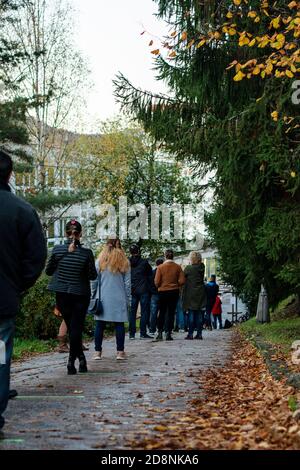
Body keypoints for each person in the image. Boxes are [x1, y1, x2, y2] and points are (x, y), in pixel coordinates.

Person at [0, 150, 47, 431]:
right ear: (9, 174)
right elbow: (35, 258)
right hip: (3, 297)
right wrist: (18, 286)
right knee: (0, 355)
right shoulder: (22, 210)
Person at [46, 220, 97, 375]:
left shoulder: (57, 250)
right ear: (80, 234)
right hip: (80, 294)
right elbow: (92, 275)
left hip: (62, 294)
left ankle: (78, 360)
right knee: (76, 328)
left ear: (65, 233)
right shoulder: (87, 253)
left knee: (72, 327)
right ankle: (74, 361)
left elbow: (48, 271)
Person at [92, 238, 131, 360]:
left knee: (100, 325)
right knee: (119, 324)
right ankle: (120, 352)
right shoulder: (124, 262)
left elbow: (94, 281)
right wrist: (128, 299)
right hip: (119, 297)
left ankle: (97, 352)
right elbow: (128, 284)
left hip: (103, 297)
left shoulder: (99, 261)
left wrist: (92, 295)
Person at [154, 249, 185, 341]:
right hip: (174, 291)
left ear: (165, 256)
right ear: (173, 256)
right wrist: (176, 284)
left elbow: (156, 282)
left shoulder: (160, 267)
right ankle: (168, 333)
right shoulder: (178, 267)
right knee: (171, 313)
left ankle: (159, 332)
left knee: (162, 312)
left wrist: (161, 285)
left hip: (162, 291)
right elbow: (182, 281)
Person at [129, 245, 153, 339]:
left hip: (133, 289)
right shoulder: (144, 262)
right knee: (144, 311)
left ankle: (132, 334)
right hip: (143, 289)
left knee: (132, 312)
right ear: (139, 251)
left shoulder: (128, 262)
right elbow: (150, 274)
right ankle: (143, 333)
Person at [182, 251, 206, 340]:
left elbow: (183, 277)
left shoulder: (188, 268)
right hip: (200, 292)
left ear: (191, 259)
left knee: (191, 314)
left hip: (191, 293)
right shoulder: (202, 267)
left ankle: (190, 334)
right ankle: (199, 334)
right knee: (200, 314)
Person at [149, 258, 164, 334]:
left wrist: (153, 292)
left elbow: (150, 284)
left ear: (156, 264)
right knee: (163, 311)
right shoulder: (164, 272)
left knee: (153, 313)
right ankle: (163, 328)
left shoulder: (152, 272)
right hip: (162, 293)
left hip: (154, 294)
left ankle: (152, 329)